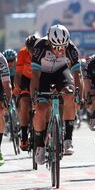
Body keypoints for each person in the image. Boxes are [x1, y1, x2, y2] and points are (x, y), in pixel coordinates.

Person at [31, 25, 82, 164]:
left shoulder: (71, 48)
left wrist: (79, 95)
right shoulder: (40, 46)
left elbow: (78, 75)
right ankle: (40, 146)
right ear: (49, 42)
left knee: (70, 95)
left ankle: (68, 139)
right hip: (44, 75)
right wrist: (33, 96)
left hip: (61, 72)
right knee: (41, 109)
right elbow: (35, 75)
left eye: (62, 47)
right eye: (56, 47)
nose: (60, 50)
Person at [14, 35, 38, 150]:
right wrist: (17, 86)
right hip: (26, 78)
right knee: (24, 102)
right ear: (27, 48)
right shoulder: (22, 53)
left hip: (39, 77)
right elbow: (18, 74)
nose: (32, 52)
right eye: (30, 50)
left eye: (35, 49)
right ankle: (24, 136)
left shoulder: (42, 51)